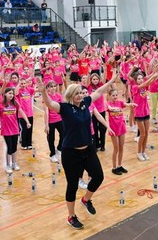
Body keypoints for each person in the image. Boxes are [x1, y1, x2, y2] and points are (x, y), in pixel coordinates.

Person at [39, 74, 116, 230]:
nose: (81, 95)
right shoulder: (65, 108)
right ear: (70, 95)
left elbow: (99, 91)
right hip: (70, 153)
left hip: (88, 148)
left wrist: (112, 80)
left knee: (99, 176)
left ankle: (86, 200)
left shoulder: (85, 103)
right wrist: (43, 92)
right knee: (72, 185)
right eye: (77, 93)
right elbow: (49, 103)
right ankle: (71, 216)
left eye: (82, 92)